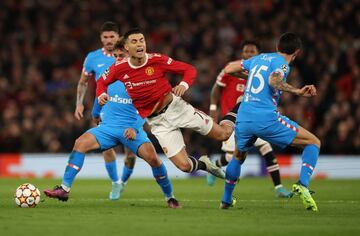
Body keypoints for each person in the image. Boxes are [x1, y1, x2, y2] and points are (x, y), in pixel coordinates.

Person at [44, 41, 181, 208]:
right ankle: (64, 189)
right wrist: (95, 114)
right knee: (80, 143)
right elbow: (99, 95)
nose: (117, 59)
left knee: (154, 159)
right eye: (115, 56)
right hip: (108, 127)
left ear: (130, 54)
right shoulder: (110, 75)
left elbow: (149, 108)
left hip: (131, 129)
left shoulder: (142, 78)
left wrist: (136, 126)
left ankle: (170, 197)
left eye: (121, 56)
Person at [96, 28, 233, 179]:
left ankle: (237, 110)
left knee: (223, 134)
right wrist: (102, 94)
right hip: (157, 122)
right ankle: (205, 164)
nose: (140, 44)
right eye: (134, 41)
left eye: (142, 40)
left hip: (177, 108)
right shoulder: (119, 68)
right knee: (185, 166)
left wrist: (183, 85)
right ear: (127, 47)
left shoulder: (157, 60)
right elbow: (102, 82)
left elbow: (189, 69)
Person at [220, 32, 320, 211]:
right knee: (313, 142)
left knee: (238, 155)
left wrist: (249, 76)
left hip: (243, 117)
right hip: (265, 118)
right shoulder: (282, 64)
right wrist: (297, 91)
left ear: (276, 47)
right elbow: (274, 80)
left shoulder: (259, 58)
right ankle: (303, 184)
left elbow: (228, 69)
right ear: (297, 52)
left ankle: (226, 200)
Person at [207, 40, 293, 198]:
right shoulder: (233, 69)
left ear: (258, 54)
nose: (247, 54)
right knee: (230, 157)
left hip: (253, 116)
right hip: (233, 120)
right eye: (245, 51)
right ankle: (215, 167)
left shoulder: (263, 70)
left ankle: (279, 188)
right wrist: (214, 110)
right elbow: (215, 90)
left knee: (266, 148)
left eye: (251, 52)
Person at [74, 21, 139, 200]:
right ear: (100, 38)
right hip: (105, 108)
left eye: (112, 36)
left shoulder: (129, 54)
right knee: (106, 147)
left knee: (131, 153)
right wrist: (79, 103)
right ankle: (115, 182)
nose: (109, 40)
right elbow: (83, 82)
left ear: (119, 37)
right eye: (105, 37)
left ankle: (123, 182)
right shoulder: (92, 58)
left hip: (129, 108)